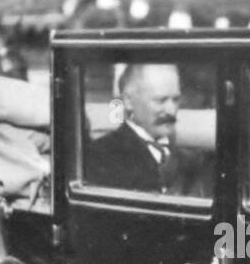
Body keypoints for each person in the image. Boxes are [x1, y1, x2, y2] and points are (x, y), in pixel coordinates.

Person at [85, 63, 209, 195]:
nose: (171, 110)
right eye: (161, 101)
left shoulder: (189, 161)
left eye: (176, 100)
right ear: (128, 102)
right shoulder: (102, 157)